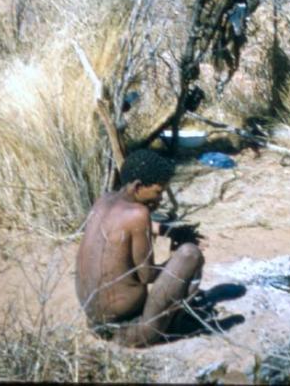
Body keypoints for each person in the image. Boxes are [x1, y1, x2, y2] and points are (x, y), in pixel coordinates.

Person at [75, 149, 204, 347]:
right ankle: (176, 324)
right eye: (158, 192)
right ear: (137, 187)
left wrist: (167, 231)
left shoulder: (103, 201)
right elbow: (147, 276)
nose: (160, 200)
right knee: (190, 254)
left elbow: (119, 226)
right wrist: (174, 257)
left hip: (94, 322)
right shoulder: (139, 214)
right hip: (132, 330)